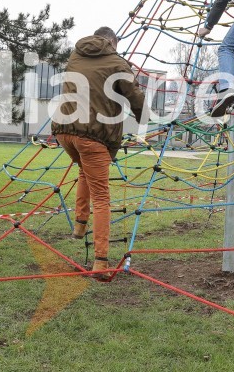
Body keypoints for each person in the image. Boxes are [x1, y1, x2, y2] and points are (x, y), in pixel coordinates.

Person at [52, 26, 145, 279]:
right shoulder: (117, 61)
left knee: (85, 170)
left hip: (63, 132)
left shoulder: (75, 56)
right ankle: (101, 263)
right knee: (102, 198)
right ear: (113, 42)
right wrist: (144, 117)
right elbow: (134, 95)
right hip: (91, 136)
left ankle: (80, 225)